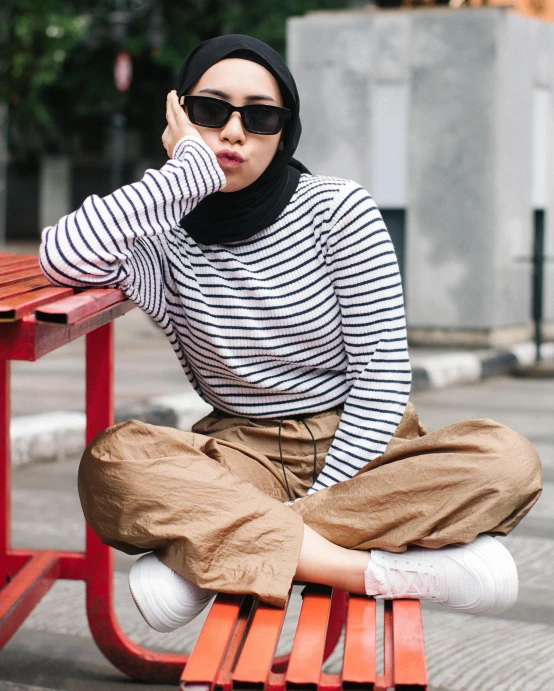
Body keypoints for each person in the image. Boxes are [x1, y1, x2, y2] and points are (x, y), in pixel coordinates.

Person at [39, 34, 542, 634]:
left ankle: (216, 553)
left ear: (285, 131)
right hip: (240, 450)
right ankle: (371, 571)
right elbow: (61, 257)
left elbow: (381, 377)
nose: (232, 132)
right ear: (178, 116)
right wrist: (183, 178)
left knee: (507, 461)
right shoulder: (160, 230)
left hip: (363, 445)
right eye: (210, 111)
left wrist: (292, 513)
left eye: (260, 117)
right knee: (113, 461)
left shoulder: (337, 209)